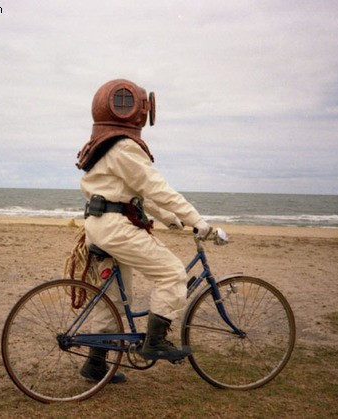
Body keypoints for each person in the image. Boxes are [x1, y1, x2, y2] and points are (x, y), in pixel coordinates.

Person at [77, 79, 211, 383]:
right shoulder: (124, 146)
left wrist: (167, 218)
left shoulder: (103, 145)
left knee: (110, 297)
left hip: (100, 226)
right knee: (172, 274)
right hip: (116, 228)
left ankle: (95, 364)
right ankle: (155, 342)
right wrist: (196, 219)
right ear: (137, 112)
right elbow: (156, 188)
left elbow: (133, 193)